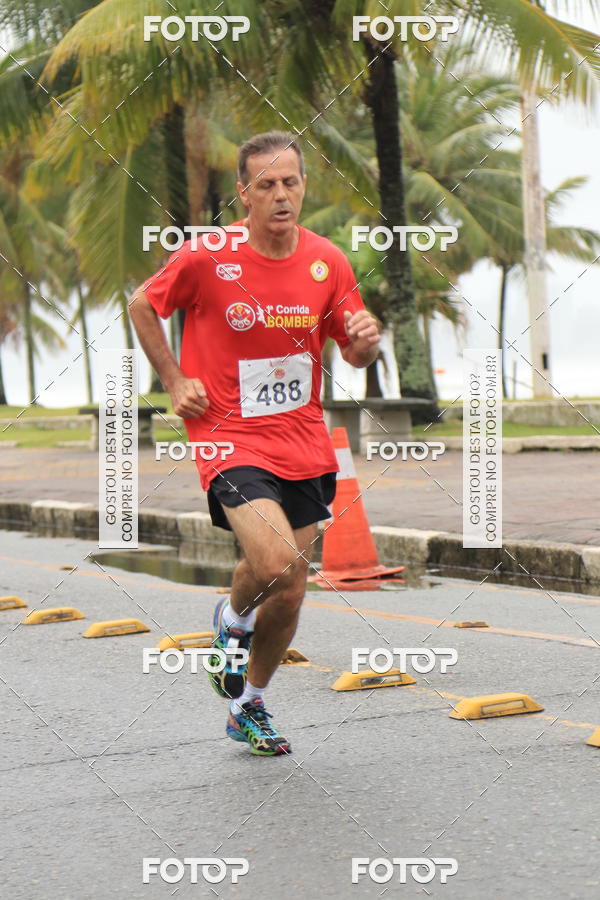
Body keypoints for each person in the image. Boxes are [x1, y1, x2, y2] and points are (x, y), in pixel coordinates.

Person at [130, 130, 380, 756]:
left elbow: (351, 348)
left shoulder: (328, 261)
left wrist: (365, 343)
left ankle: (248, 704)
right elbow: (142, 304)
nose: (280, 194)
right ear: (244, 193)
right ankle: (235, 620)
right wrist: (174, 379)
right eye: (266, 184)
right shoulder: (207, 255)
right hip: (228, 433)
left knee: (290, 587)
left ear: (304, 186)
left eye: (290, 182)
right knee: (274, 564)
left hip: (302, 436)